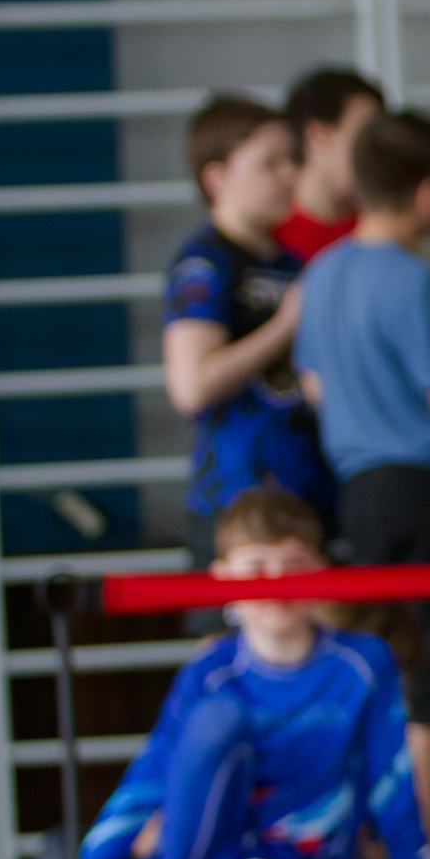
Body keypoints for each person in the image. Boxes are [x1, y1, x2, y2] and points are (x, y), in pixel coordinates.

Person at [0, 488, 430, 859]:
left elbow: (394, 794)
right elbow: (140, 796)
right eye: (257, 568)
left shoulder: (361, 666)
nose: (275, 584)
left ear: (320, 571)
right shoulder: (210, 673)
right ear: (224, 578)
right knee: (214, 720)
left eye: (293, 567)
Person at [294, 110, 430, 859]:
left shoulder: (324, 272)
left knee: (383, 667)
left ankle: (396, 840)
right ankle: (422, 848)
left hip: (362, 489)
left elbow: (316, 387)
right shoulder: (411, 278)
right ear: (425, 193)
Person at [161, 95, 332, 575]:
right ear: (218, 178)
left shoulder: (289, 264)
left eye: (291, 161)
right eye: (268, 163)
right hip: (235, 499)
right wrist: (283, 328)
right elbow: (192, 386)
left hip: (306, 487)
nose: (288, 176)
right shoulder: (205, 264)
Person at [276, 65, 384, 262]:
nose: (378, 149)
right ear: (317, 136)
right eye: (366, 134)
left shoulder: (378, 231)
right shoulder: (267, 237)